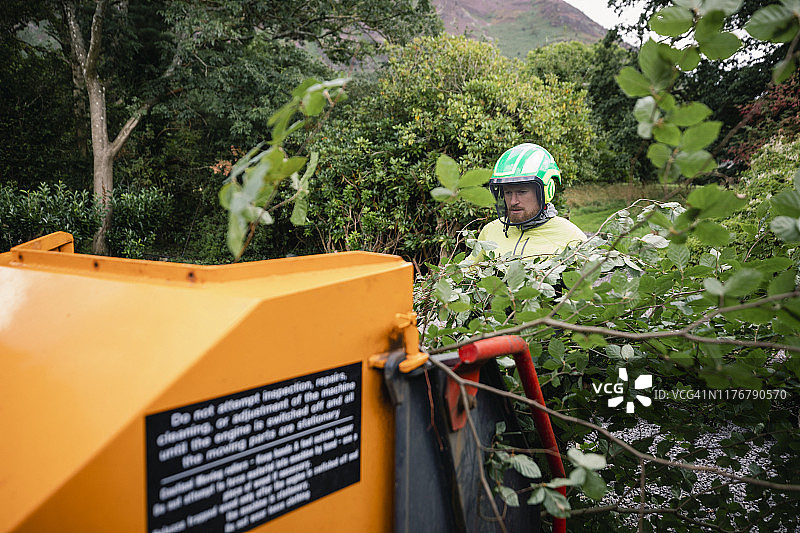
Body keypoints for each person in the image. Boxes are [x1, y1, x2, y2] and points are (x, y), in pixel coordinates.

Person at [475, 143, 587, 259]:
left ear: (546, 191)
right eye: (508, 193)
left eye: (522, 192)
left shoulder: (572, 238)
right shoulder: (490, 231)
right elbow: (467, 270)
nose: (513, 201)